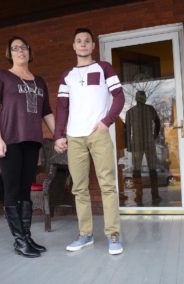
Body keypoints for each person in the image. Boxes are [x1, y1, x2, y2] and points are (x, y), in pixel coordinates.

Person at [54, 28, 125, 255]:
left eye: (87, 41)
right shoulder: (67, 76)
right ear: (73, 46)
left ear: (93, 46)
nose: (83, 44)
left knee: (107, 185)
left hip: (98, 134)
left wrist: (107, 121)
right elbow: (62, 107)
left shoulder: (104, 68)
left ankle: (113, 235)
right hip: (74, 138)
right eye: (78, 41)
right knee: (79, 188)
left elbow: (120, 96)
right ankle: (85, 234)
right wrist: (58, 135)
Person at [0, 36, 55, 258]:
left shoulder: (39, 81)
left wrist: (59, 136)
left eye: (23, 47)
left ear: (29, 51)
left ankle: (26, 237)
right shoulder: (2, 76)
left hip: (32, 141)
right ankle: (19, 240)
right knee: (12, 190)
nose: (20, 51)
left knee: (26, 189)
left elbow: (46, 113)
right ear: (10, 53)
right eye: (15, 48)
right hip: (10, 141)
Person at [125, 90, 161, 205]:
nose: (142, 99)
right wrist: (153, 136)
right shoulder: (133, 112)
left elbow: (157, 122)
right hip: (142, 143)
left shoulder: (133, 111)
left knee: (147, 169)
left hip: (141, 143)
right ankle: (144, 196)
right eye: (141, 97)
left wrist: (154, 136)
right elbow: (127, 130)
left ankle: (143, 196)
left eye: (142, 97)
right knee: (143, 169)